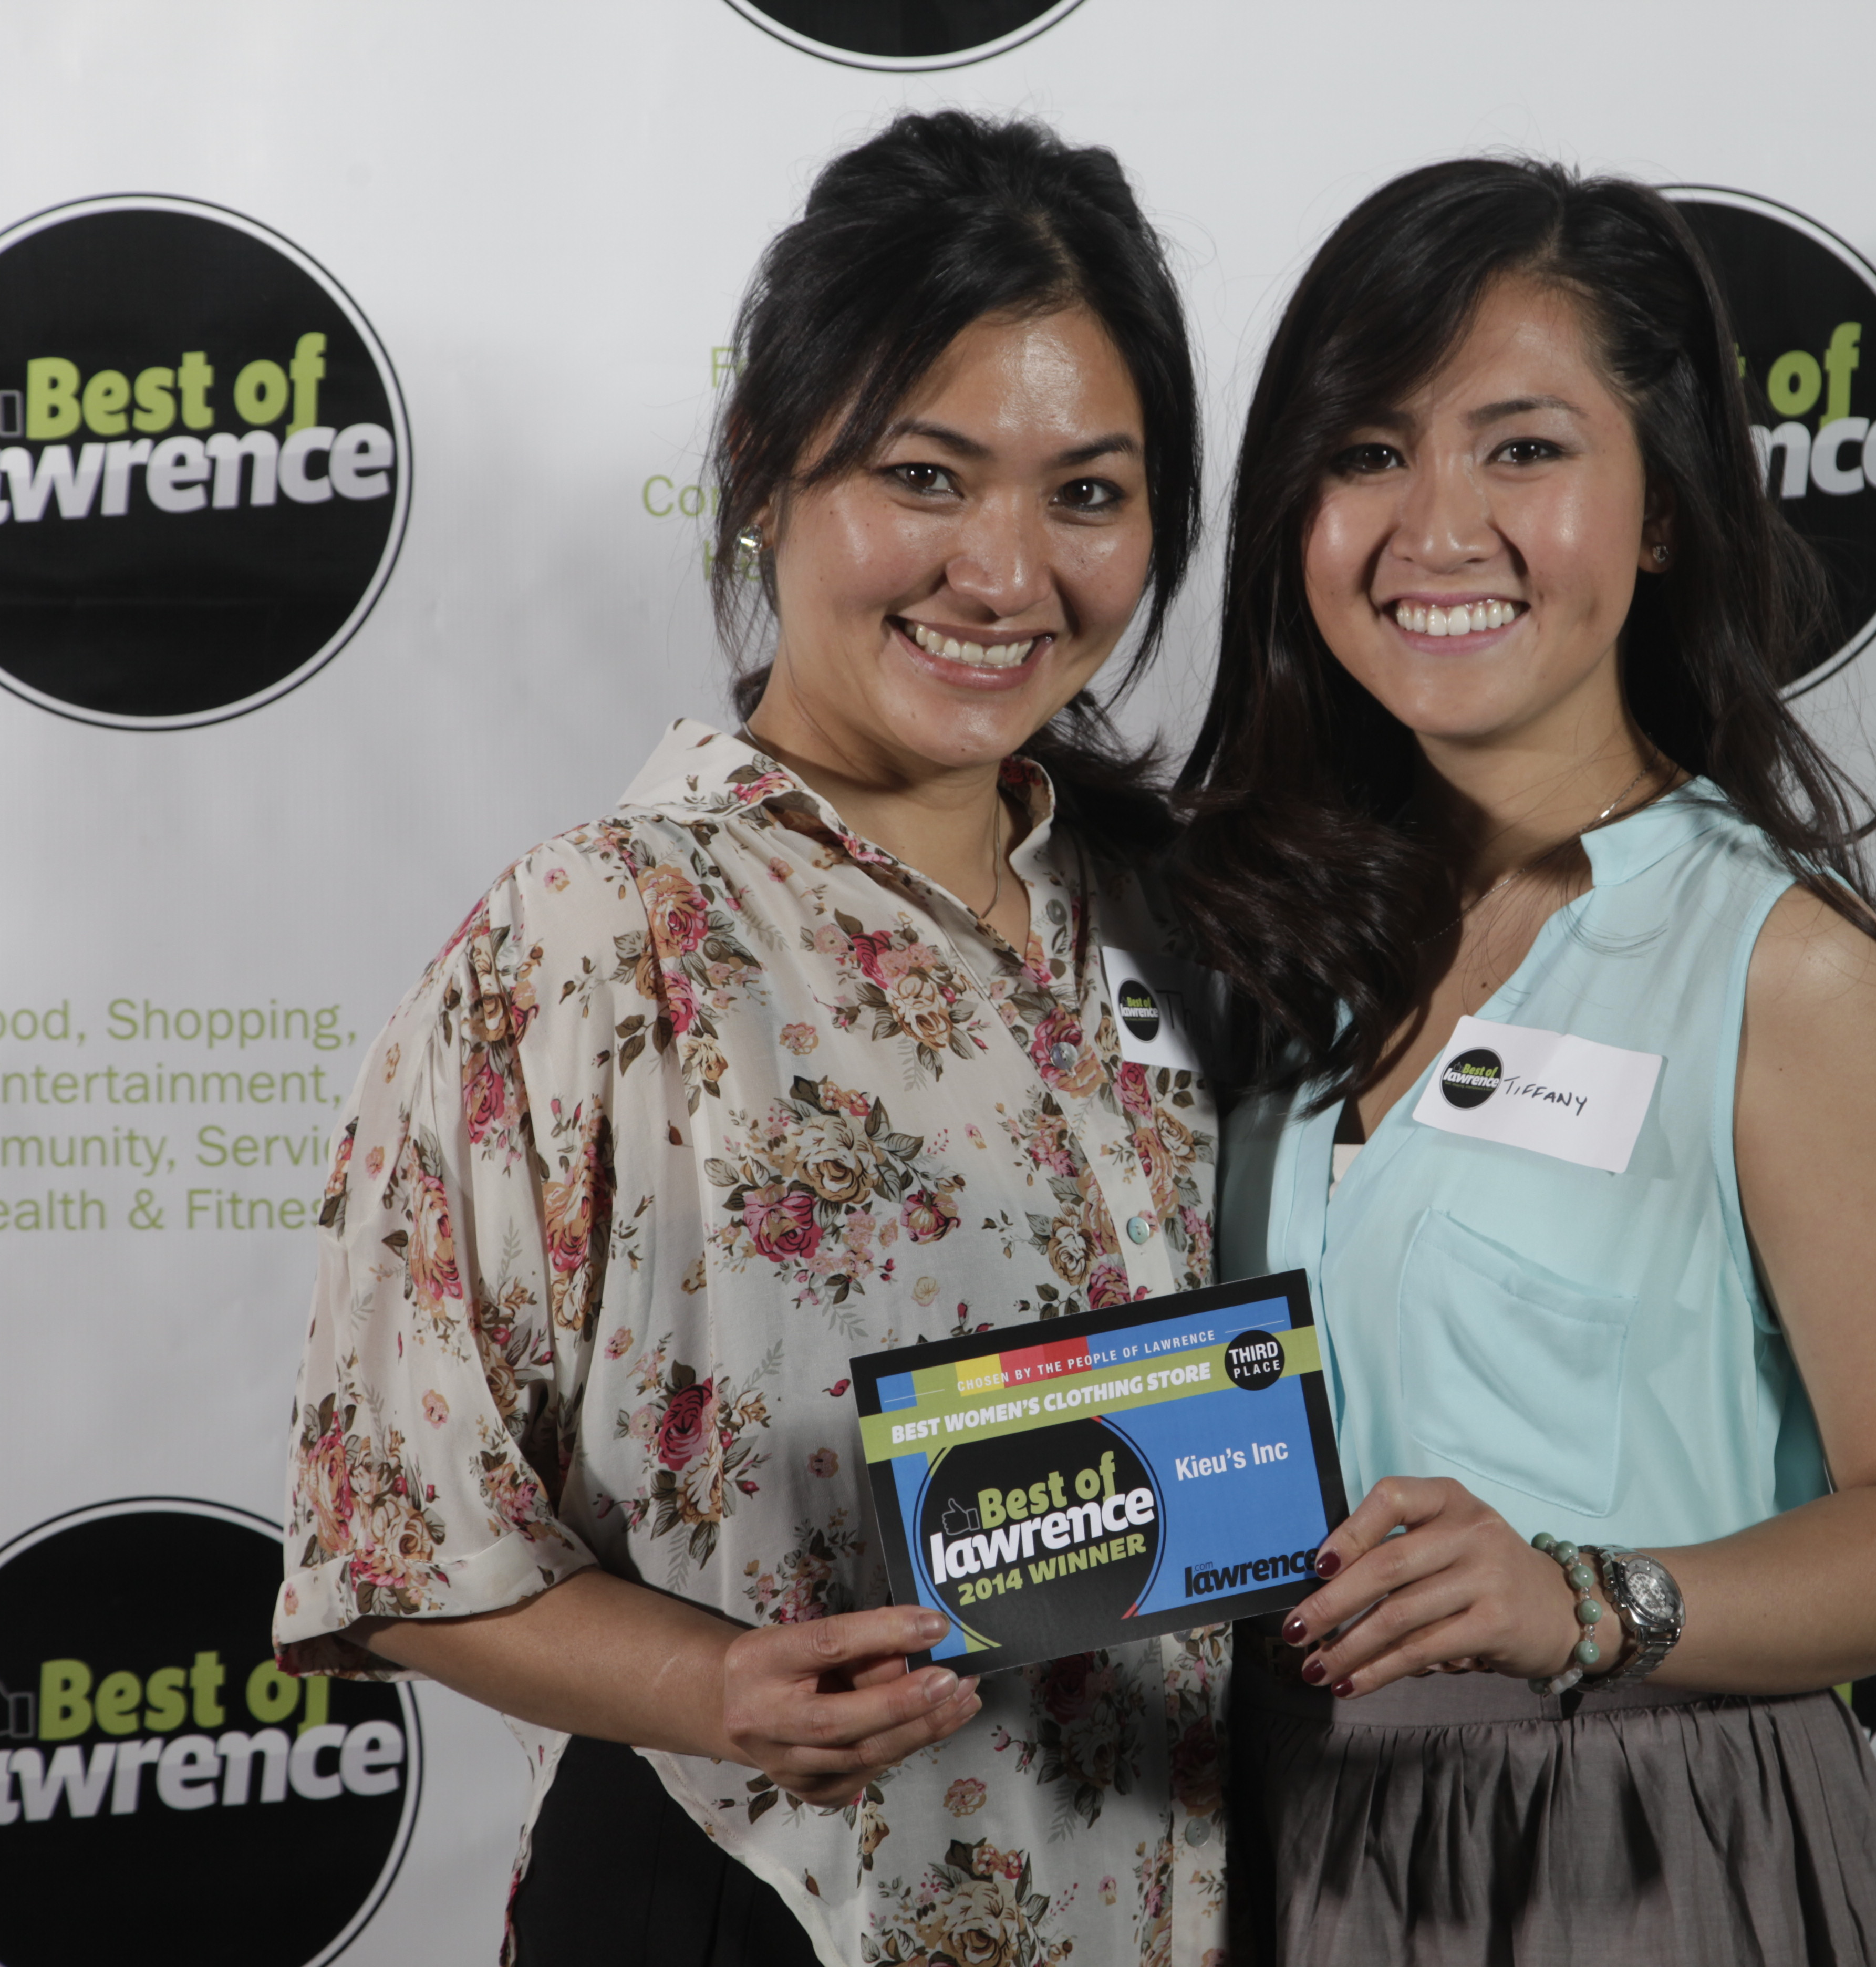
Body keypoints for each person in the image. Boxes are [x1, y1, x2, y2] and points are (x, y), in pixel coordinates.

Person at [271, 111, 1230, 1967]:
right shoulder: (599, 933)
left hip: (1165, 1891)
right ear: (762, 475)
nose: (1005, 573)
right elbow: (391, 1534)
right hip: (763, 1896)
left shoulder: (1185, 916)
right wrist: (716, 1690)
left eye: (1087, 495)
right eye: (926, 477)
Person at [1172, 158, 1876, 1963]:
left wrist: (1588, 1598)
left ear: (1663, 513)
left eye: (1525, 449)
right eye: (1369, 451)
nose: (1437, 529)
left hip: (1631, 1849)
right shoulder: (1261, 950)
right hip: (1263, 1836)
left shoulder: (1783, 979)